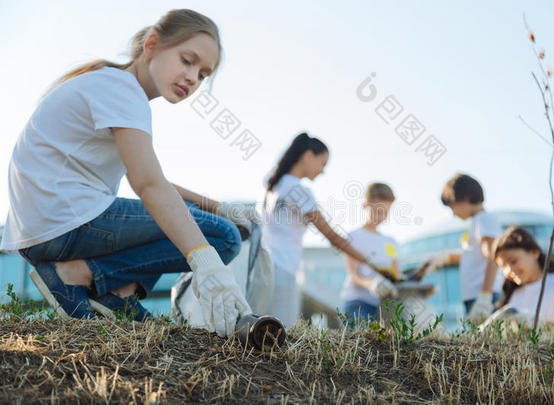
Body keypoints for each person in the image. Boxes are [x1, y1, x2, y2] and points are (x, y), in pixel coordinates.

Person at [0, 9, 257, 336]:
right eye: (187, 60)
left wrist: (218, 207)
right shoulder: (123, 90)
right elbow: (149, 186)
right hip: (63, 223)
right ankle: (78, 276)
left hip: (45, 226)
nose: (193, 78)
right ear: (151, 45)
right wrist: (205, 259)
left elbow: (153, 181)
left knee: (191, 216)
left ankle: (117, 295)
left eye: (203, 74)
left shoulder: (114, 86)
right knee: (222, 236)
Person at [261, 133, 396, 328]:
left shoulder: (272, 185)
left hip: (265, 266)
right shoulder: (300, 191)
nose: (322, 170)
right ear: (308, 156)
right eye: (322, 163)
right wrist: (370, 262)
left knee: (262, 328)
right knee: (281, 329)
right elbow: (332, 236)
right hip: (285, 267)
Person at [424, 173, 503, 323]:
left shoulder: (484, 220)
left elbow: (493, 256)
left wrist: (485, 297)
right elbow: (474, 256)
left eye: (452, 207)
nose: (453, 213)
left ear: (465, 198)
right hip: (477, 295)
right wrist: (446, 258)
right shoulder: (478, 222)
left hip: (483, 294)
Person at [493, 226, 554, 327]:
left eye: (513, 261)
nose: (509, 270)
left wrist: (536, 323)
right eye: (503, 266)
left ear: (534, 252)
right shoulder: (515, 294)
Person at [339, 182, 400, 326]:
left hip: (384, 306)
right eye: (378, 211)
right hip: (358, 304)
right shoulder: (354, 237)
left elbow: (397, 276)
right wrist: (371, 284)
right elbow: (353, 275)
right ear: (366, 205)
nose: (381, 216)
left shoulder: (391, 242)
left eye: (385, 212)